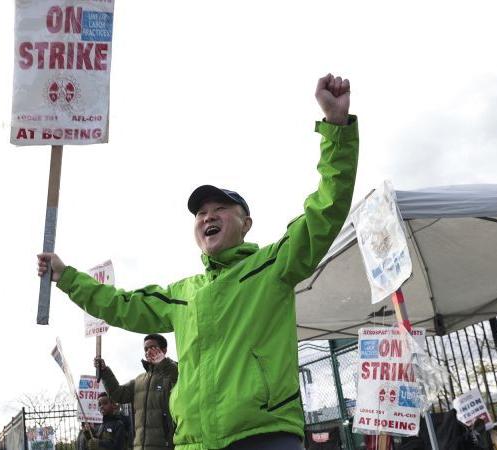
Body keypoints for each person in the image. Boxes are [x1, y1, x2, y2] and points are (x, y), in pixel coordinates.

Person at [38, 73, 358, 450]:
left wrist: (336, 128)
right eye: (201, 212)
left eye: (221, 208)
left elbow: (325, 211)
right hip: (193, 443)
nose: (208, 217)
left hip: (262, 437)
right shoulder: (182, 295)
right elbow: (122, 305)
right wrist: (67, 277)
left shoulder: (274, 266)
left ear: (246, 224)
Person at [95, 334, 178, 450]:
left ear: (164, 350)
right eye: (146, 349)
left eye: (153, 347)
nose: (149, 351)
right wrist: (104, 371)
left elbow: (178, 374)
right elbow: (118, 394)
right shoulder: (139, 380)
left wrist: (163, 362)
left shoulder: (173, 373)